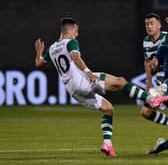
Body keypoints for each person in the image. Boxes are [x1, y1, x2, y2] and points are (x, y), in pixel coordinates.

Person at [34, 17, 167, 157]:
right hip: (83, 81)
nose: (77, 34)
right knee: (120, 81)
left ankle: (107, 145)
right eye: (76, 31)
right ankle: (152, 98)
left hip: (73, 90)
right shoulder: (71, 42)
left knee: (107, 109)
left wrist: (38, 52)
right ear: (71, 29)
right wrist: (87, 72)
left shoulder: (53, 48)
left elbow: (39, 64)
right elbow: (75, 57)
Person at [141, 13, 168, 154]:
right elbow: (148, 61)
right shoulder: (146, 41)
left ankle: (161, 147)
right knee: (145, 112)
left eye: (152, 23)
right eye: (146, 24)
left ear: (159, 25)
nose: (149, 26)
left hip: (166, 83)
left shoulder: (166, 37)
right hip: (159, 83)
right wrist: (149, 82)